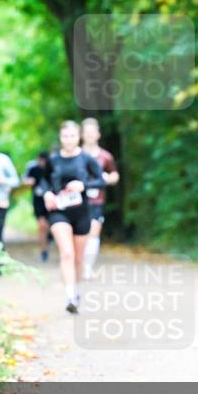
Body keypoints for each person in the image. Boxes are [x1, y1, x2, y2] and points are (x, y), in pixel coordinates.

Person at [43, 121, 105, 313]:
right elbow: (44, 180)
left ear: (78, 137)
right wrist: (47, 193)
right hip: (59, 211)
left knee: (78, 258)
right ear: (60, 138)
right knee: (67, 253)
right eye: (64, 136)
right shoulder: (53, 160)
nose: (68, 140)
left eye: (72, 136)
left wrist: (83, 185)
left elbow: (101, 180)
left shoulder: (86, 159)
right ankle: (70, 296)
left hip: (82, 212)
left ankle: (76, 292)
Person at [80, 117, 119, 278]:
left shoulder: (105, 157)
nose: (90, 135)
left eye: (92, 132)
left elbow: (115, 175)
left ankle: (87, 267)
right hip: (77, 201)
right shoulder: (76, 154)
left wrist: (107, 178)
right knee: (80, 233)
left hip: (97, 200)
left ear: (98, 134)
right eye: (86, 132)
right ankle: (78, 264)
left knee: (94, 232)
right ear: (82, 134)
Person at [23, 151, 53, 262]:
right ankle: (43, 250)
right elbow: (25, 181)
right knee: (42, 225)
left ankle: (49, 238)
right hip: (38, 201)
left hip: (51, 200)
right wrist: (30, 182)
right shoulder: (33, 169)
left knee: (51, 225)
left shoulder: (52, 168)